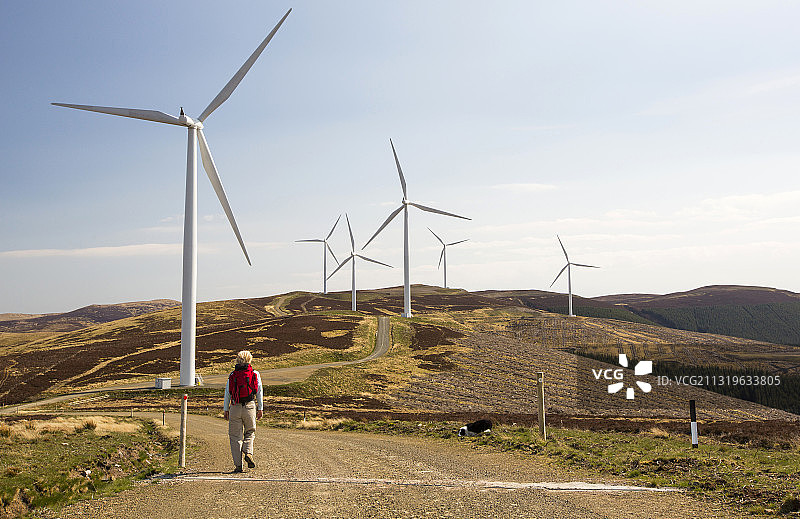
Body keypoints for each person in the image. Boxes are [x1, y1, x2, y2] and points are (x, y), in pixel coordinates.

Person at [223, 350, 264, 473]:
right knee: (250, 432)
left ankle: (238, 466)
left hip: (235, 407)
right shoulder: (255, 374)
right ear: (250, 360)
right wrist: (260, 408)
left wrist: (226, 409)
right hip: (250, 406)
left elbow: (227, 394)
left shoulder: (232, 375)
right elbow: (259, 391)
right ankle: (248, 452)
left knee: (235, 436)